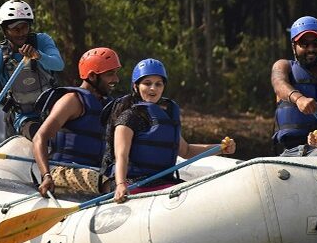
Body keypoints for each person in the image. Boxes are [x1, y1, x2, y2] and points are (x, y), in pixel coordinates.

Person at [101, 58, 237, 203]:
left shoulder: (168, 114)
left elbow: (186, 151)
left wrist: (221, 148)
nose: (153, 88)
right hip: (133, 182)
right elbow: (121, 156)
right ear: (136, 86)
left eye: (158, 84)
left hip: (163, 183)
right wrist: (121, 184)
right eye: (147, 83)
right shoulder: (128, 116)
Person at [0, 0, 65, 139]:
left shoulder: (42, 41)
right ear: (5, 30)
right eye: (15, 29)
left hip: (53, 110)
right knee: (41, 136)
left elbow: (58, 64)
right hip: (24, 117)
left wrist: (38, 55)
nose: (21, 33)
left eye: (25, 27)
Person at [32, 47, 122, 197]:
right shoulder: (72, 100)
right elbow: (39, 138)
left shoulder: (107, 104)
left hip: (95, 171)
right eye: (110, 74)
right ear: (92, 76)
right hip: (62, 171)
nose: (116, 79)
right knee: (111, 184)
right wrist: (46, 175)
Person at [271, 16, 317, 155]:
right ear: (294, 46)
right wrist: (299, 99)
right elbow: (279, 83)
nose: (311, 49)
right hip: (290, 151)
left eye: (316, 43)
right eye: (304, 44)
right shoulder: (284, 66)